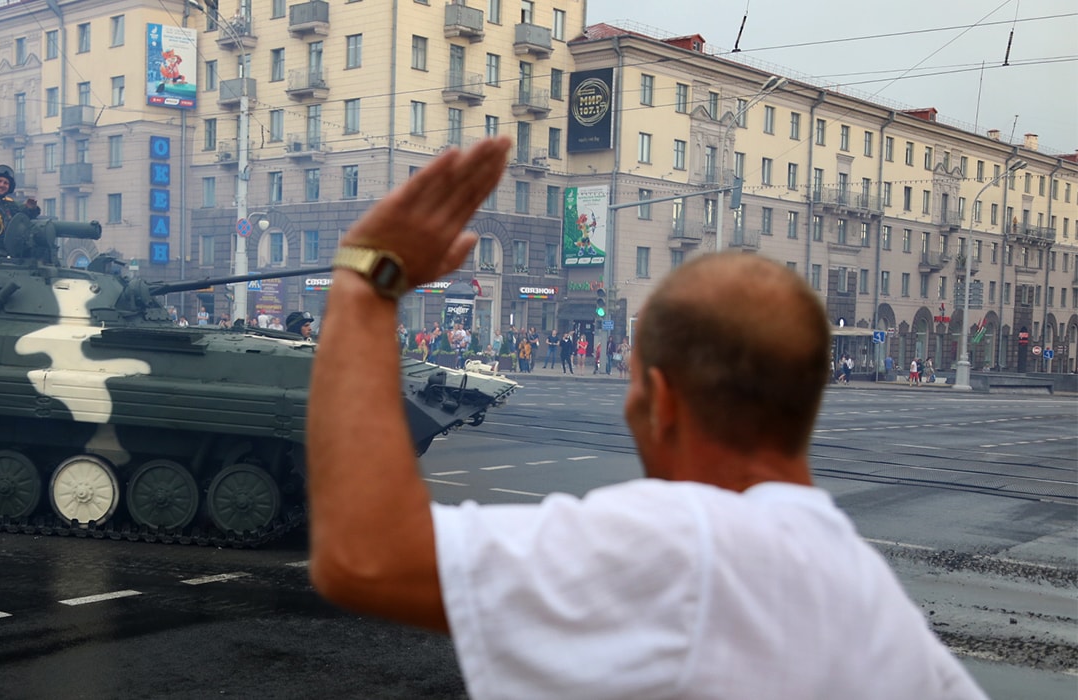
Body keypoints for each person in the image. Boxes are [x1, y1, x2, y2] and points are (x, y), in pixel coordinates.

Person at [304, 136, 984, 699]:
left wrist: (368, 281)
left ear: (660, 400)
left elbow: (363, 558)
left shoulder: (692, 549)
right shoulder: (882, 609)